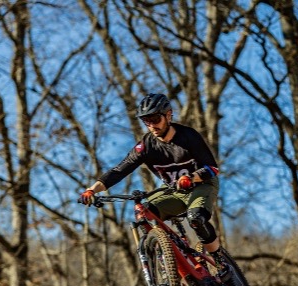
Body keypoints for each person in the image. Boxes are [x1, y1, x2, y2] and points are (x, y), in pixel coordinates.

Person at [78, 93, 234, 275]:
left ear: (168, 115)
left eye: (155, 119)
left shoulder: (188, 136)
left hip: (202, 185)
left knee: (195, 218)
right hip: (172, 190)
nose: (152, 125)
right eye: (146, 121)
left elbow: (212, 168)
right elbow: (119, 170)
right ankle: (167, 256)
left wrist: (191, 178)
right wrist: (92, 190)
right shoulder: (146, 146)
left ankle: (220, 261)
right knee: (146, 213)